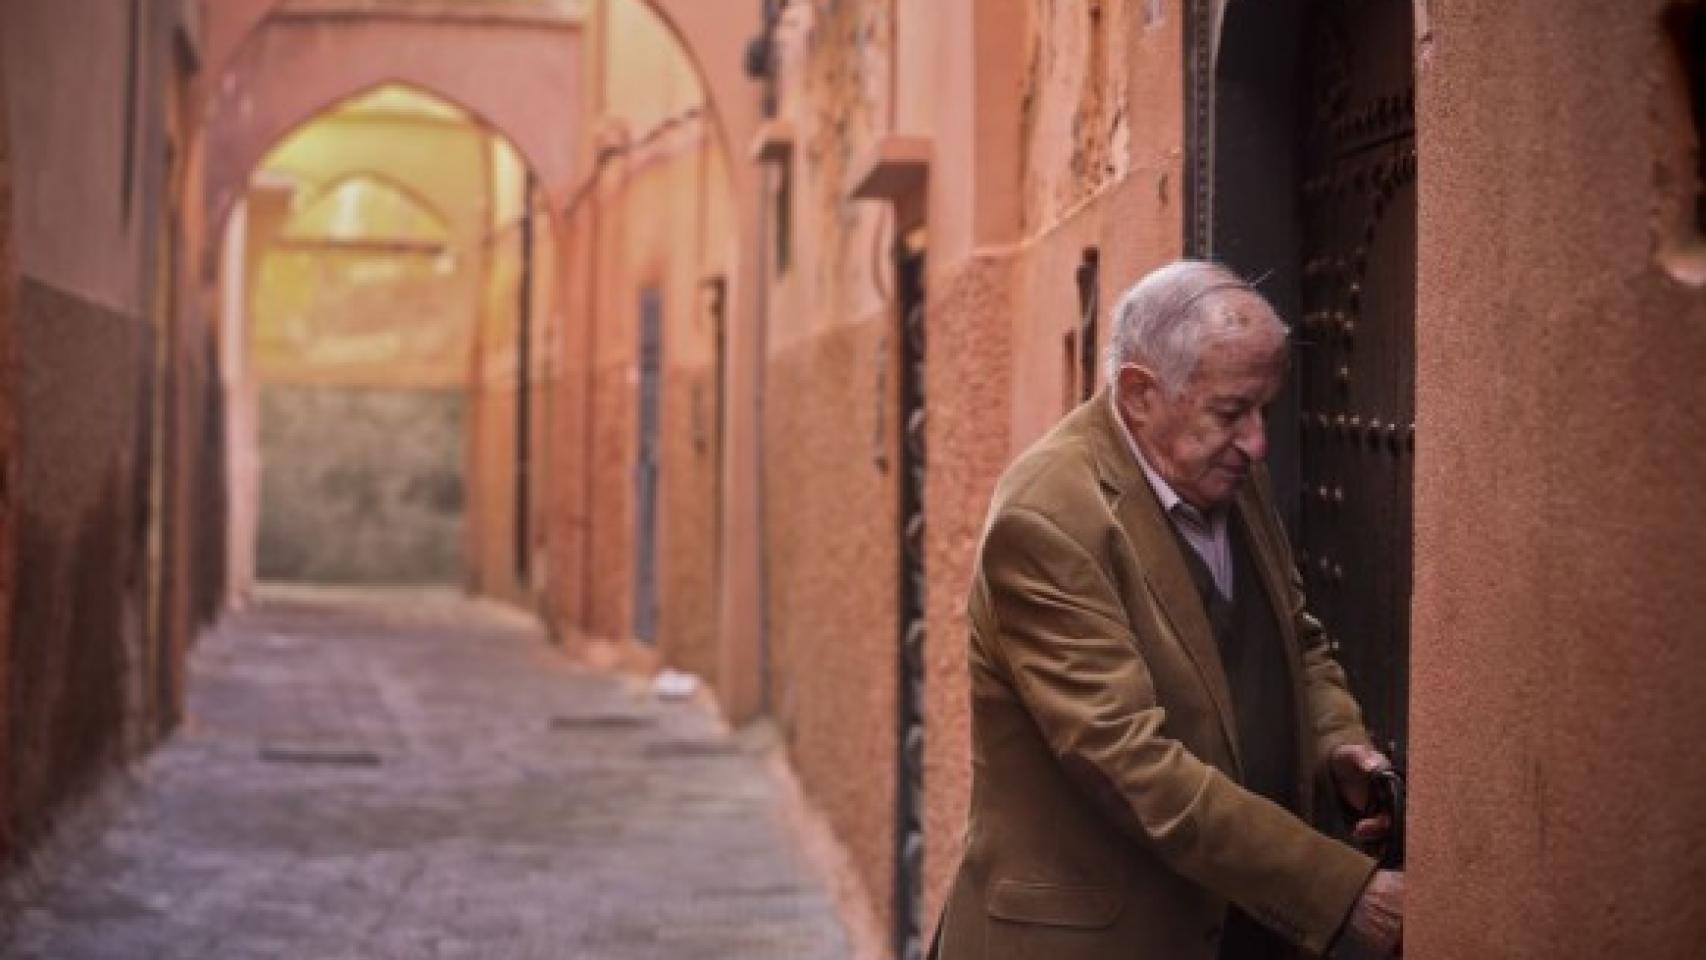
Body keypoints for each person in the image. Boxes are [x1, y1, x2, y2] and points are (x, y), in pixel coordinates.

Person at [930, 260, 1404, 959]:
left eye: (1263, 408)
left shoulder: (1223, 468)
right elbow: (1130, 764)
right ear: (1140, 393)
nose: (1258, 441)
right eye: (1232, 410)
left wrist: (1339, 743)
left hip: (1236, 928)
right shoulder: (1047, 519)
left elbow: (1294, 640)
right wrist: (1341, 891)